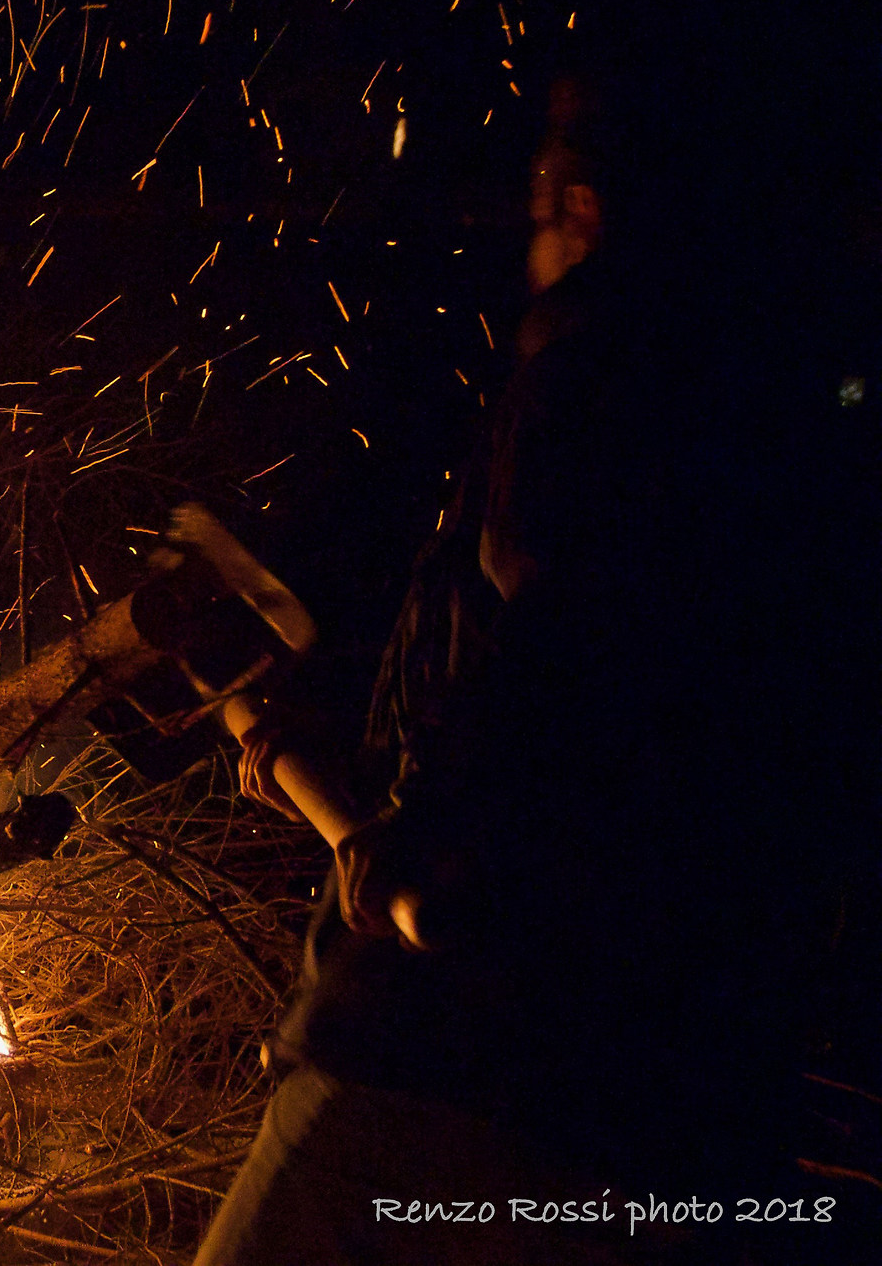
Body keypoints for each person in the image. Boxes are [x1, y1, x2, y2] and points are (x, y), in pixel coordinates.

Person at [196, 76, 876, 1264]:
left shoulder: (603, 373)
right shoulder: (805, 450)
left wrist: (424, 838)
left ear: (584, 209)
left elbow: (566, 631)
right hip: (678, 1121)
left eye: (539, 204)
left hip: (461, 1053)